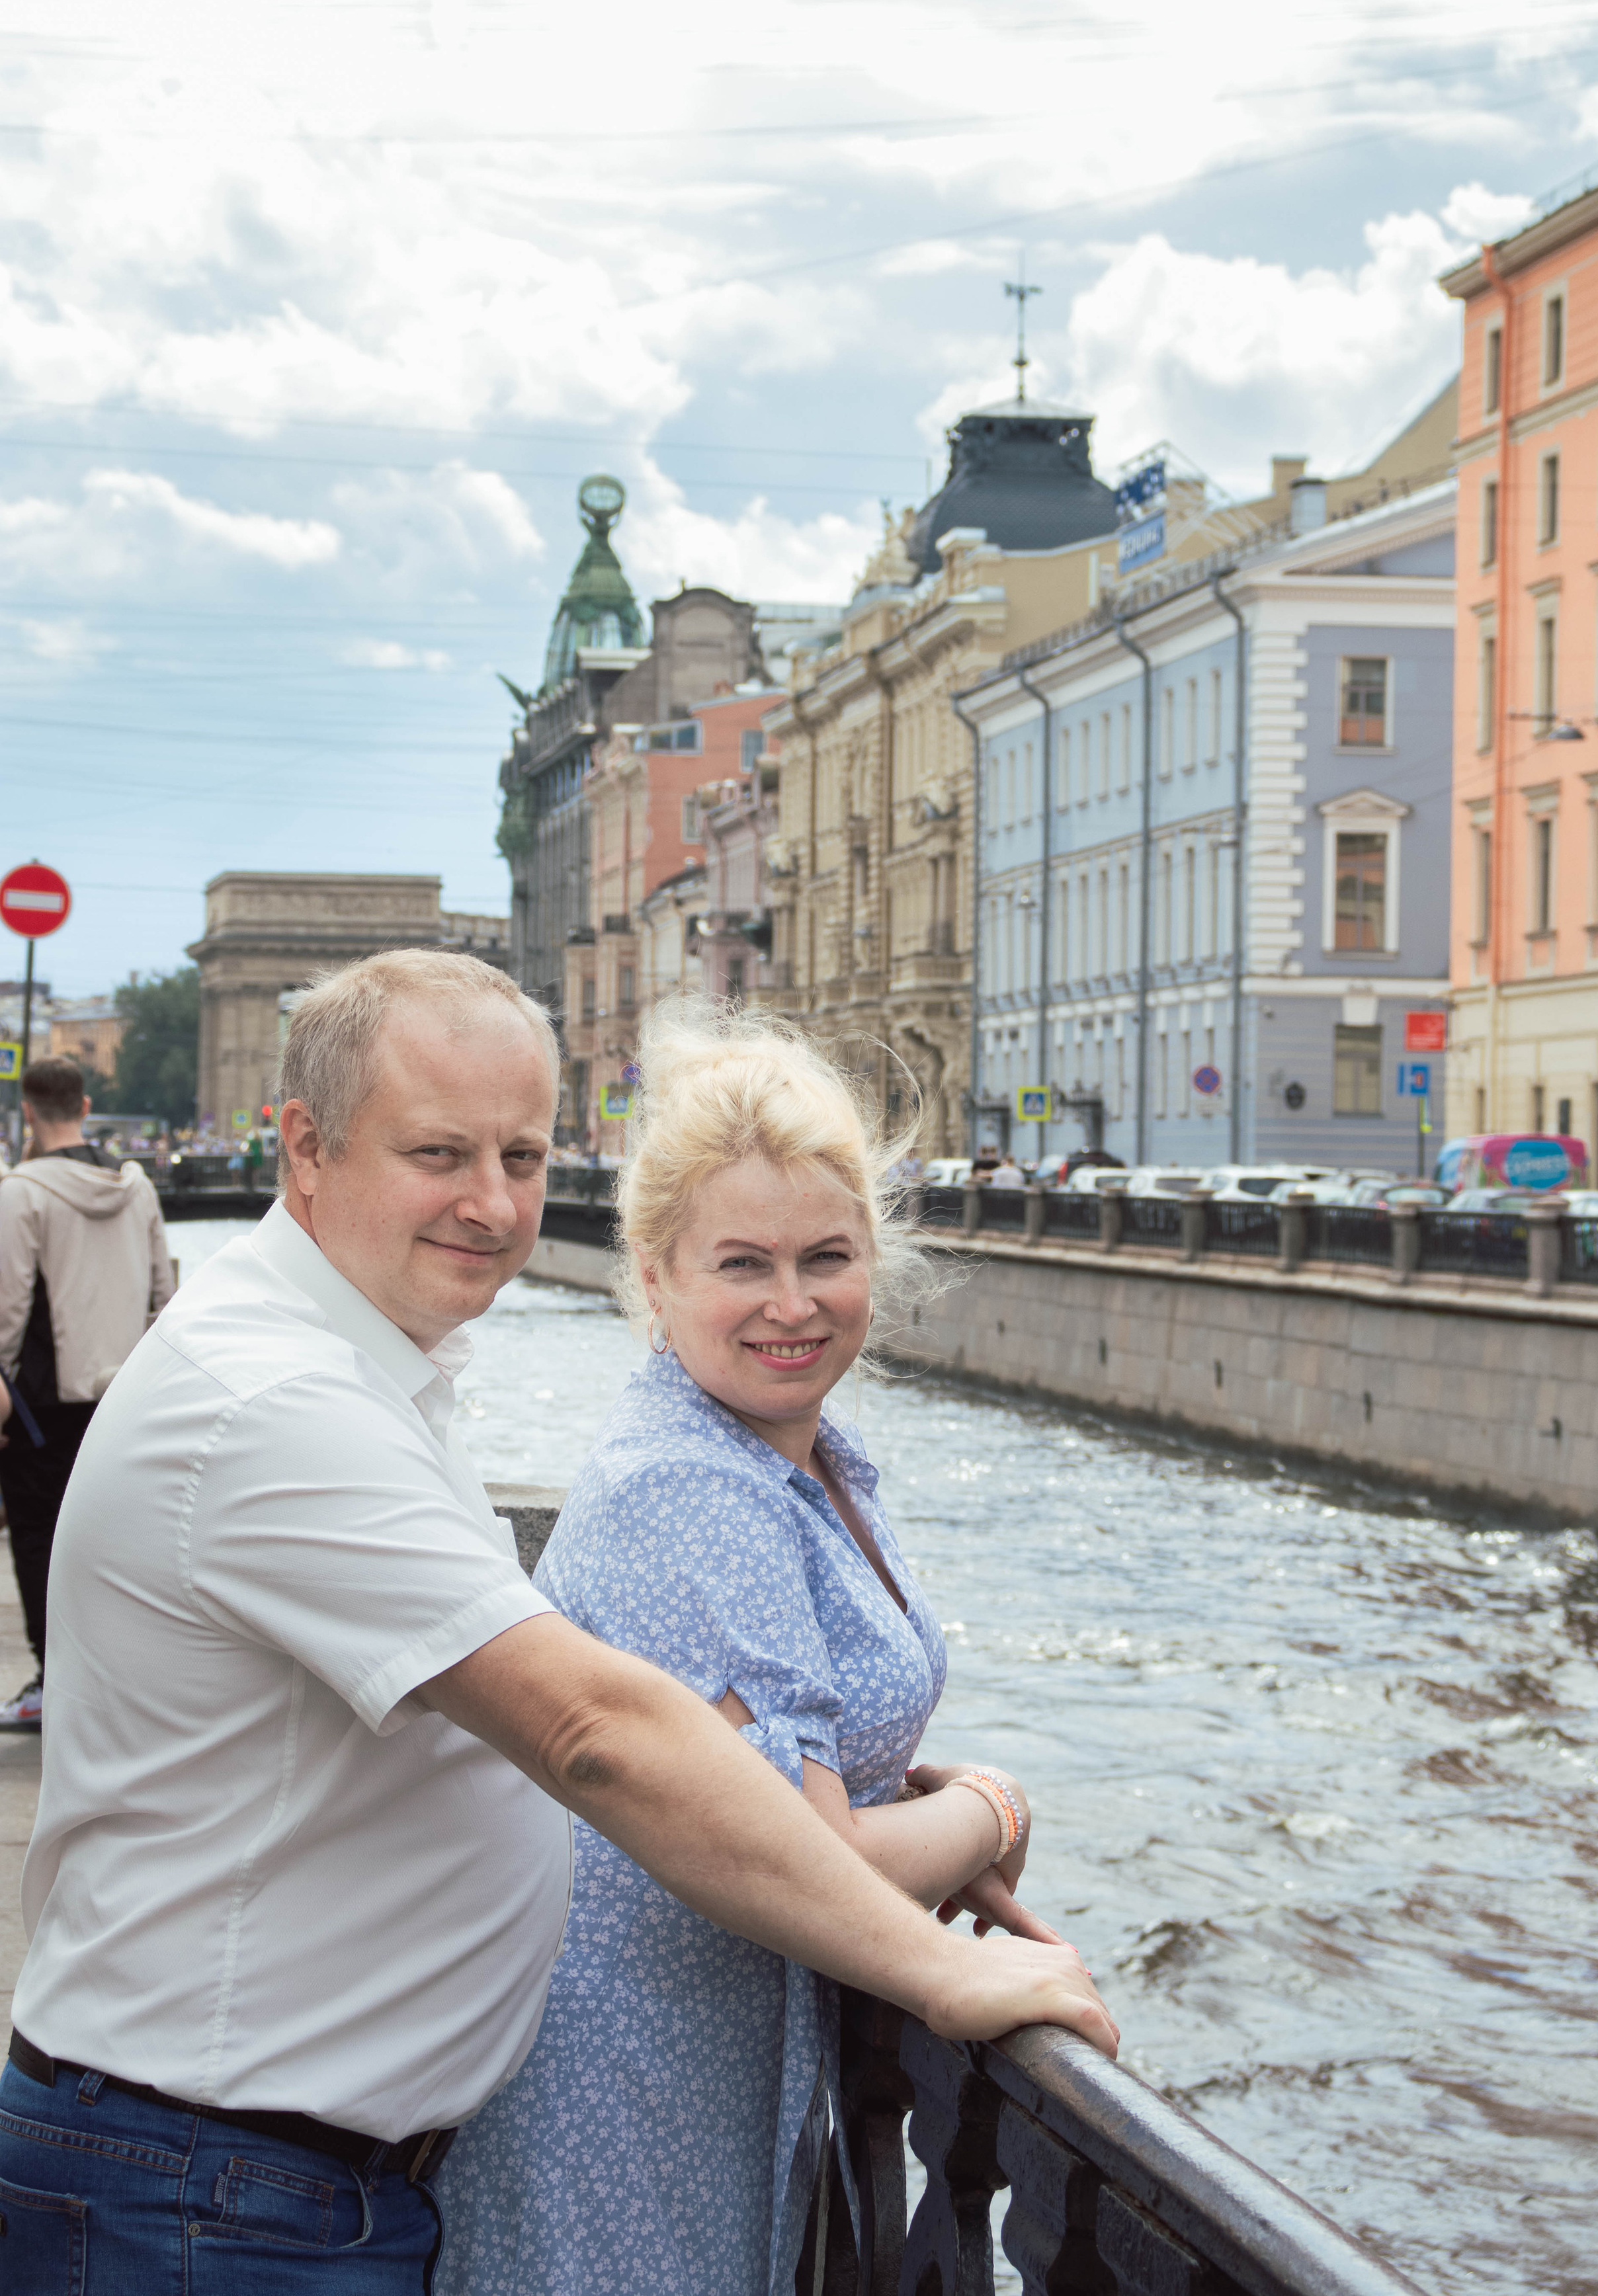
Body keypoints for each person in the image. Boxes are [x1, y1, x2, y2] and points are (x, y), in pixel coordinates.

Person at [0, 950, 1114, 2290]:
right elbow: (591, 1730)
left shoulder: (355, 1368)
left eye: (522, 1155)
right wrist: (943, 1970)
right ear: (302, 1148)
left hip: (261, 2175)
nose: (491, 1202)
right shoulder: (270, 1405)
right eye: (438, 1153)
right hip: (208, 2189)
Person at [436, 1003, 1062, 2296]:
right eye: (740, 1266)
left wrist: (907, 1794)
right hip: (627, 2097)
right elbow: (809, 1852)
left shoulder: (802, 1455)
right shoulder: (689, 1489)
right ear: (653, 1277)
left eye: (824, 1257)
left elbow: (812, 1757)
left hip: (727, 2065)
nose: (791, 1304)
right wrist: (990, 1814)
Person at [0, 1053, 174, 1731]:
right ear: (86, 1104)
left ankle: (53, 1685)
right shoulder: (138, 1188)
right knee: (115, 1547)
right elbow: (165, 1299)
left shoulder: (21, 1193)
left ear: (27, 1112)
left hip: (42, 1404)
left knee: (42, 1544)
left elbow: (9, 1309)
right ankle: (112, 1686)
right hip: (124, 1400)